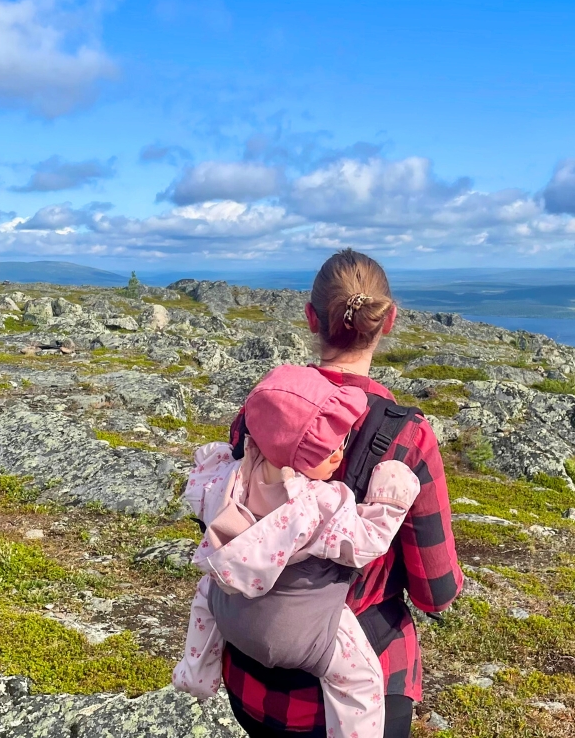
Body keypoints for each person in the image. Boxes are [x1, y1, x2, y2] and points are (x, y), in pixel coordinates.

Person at [219, 249, 464, 738]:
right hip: (359, 688)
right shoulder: (407, 437)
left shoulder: (261, 409)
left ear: (312, 318)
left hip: (251, 680)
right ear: (388, 320)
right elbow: (435, 593)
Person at [173, 364, 422, 738]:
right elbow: (365, 543)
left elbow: (197, 493)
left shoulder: (228, 476)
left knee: (206, 595)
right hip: (299, 632)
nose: (340, 453)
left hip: (231, 612)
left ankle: (195, 674)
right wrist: (390, 494)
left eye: (341, 442)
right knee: (359, 679)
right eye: (326, 448)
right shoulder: (316, 505)